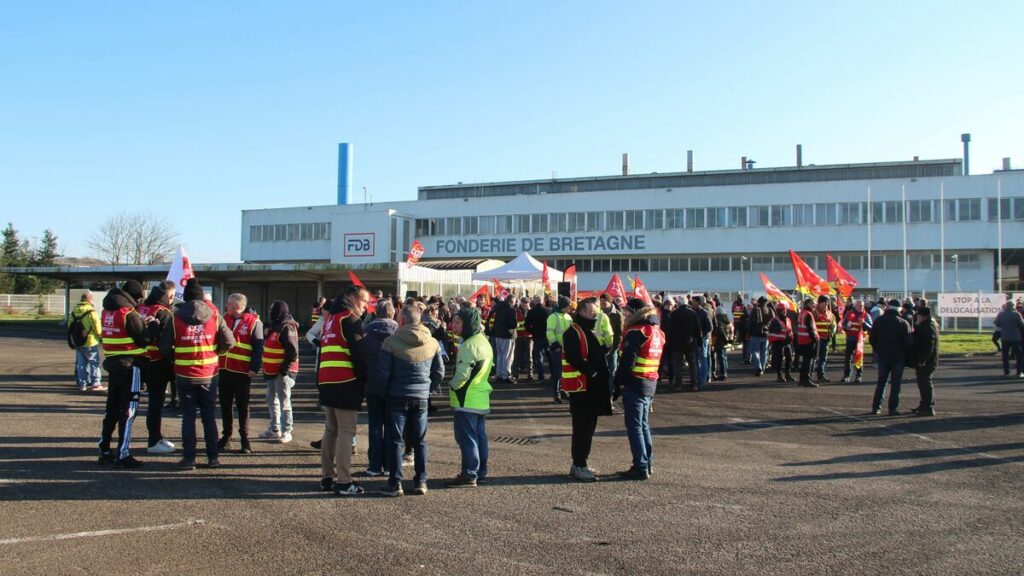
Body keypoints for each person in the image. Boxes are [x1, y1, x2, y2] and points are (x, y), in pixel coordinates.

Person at [159, 278, 234, 469]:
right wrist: (217, 352)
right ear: (202, 298)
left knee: (188, 418)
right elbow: (229, 341)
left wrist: (176, 359)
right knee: (209, 417)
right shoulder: (215, 314)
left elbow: (165, 347)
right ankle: (213, 457)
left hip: (184, 375)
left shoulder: (175, 316)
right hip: (209, 374)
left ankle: (189, 458)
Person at [375, 303, 444, 497]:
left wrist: (383, 393)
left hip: (397, 396)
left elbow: (382, 374)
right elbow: (439, 372)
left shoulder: (390, 342)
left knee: (396, 440)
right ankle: (421, 480)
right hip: (421, 397)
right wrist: (427, 389)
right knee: (420, 440)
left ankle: (395, 482)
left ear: (402, 320)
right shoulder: (432, 342)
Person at [316, 285, 371, 496]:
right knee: (347, 431)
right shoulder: (350, 319)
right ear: (351, 298)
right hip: (345, 380)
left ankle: (327, 477)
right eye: (363, 301)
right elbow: (359, 355)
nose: (366, 306)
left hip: (327, 380)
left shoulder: (330, 320)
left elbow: (322, 353)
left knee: (331, 430)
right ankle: (345, 481)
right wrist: (363, 382)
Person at [97, 280, 150, 468]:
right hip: (131, 365)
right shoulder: (128, 313)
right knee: (128, 411)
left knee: (111, 408)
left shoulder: (106, 311)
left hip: (113, 363)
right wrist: (151, 327)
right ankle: (123, 453)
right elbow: (143, 339)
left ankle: (104, 449)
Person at [561, 299, 612, 482]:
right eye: (592, 311)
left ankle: (581, 463)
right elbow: (575, 358)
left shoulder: (585, 331)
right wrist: (593, 372)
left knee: (588, 428)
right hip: (582, 388)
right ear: (582, 312)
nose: (595, 314)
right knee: (582, 428)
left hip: (591, 388)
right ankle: (579, 464)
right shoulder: (573, 332)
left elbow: (589, 353)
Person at [614, 298, 664, 480]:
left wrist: (618, 383)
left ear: (635, 313)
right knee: (643, 426)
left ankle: (640, 466)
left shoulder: (637, 331)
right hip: (650, 382)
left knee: (635, 427)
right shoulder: (656, 331)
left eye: (627, 311)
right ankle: (647, 462)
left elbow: (628, 361)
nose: (624, 314)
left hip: (635, 383)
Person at [446, 306, 494, 488]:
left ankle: (469, 474)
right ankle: (480, 472)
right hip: (480, 398)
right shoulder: (482, 341)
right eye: (453, 322)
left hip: (466, 399)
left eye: (458, 322)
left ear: (467, 324)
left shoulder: (468, 345)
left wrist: (451, 385)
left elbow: (462, 376)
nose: (453, 326)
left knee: (467, 439)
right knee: (479, 438)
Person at [217, 293, 263, 454]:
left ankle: (245, 438)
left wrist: (254, 367)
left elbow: (258, 347)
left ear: (237, 306)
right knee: (225, 404)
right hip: (224, 369)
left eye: (228, 304)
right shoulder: (224, 318)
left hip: (242, 371)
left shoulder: (254, 322)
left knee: (242, 406)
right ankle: (226, 436)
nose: (226, 306)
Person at [137, 281, 177, 455]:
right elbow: (165, 344)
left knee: (134, 403)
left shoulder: (141, 308)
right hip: (158, 363)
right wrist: (173, 362)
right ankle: (154, 440)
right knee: (155, 404)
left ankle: (151, 438)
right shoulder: (164, 313)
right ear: (169, 295)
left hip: (140, 360)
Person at [360, 300, 397, 477]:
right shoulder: (399, 333)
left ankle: (374, 465)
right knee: (391, 425)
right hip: (393, 384)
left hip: (372, 384)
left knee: (375, 424)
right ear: (393, 313)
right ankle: (390, 464)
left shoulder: (366, 332)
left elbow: (360, 358)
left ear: (376, 313)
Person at [260, 300, 300, 443]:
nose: (270, 312)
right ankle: (275, 429)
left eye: (272, 309)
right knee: (271, 399)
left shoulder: (286, 327)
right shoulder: (275, 325)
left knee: (284, 402)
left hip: (281, 372)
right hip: (271, 371)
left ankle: (287, 430)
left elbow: (292, 352)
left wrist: (284, 369)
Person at [868, 299, 913, 416]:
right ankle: (893, 408)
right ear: (899, 309)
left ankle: (876, 407)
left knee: (881, 383)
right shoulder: (903, 323)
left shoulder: (879, 321)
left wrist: (878, 350)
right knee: (896, 384)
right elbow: (908, 343)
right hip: (898, 357)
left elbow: (872, 338)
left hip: (883, 355)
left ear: (888, 307)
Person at [70, 291, 103, 392]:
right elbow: (97, 326)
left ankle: (82, 384)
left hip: (78, 341)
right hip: (90, 341)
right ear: (89, 299)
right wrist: (100, 337)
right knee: (94, 362)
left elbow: (70, 325)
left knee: (81, 364)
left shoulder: (74, 310)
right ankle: (96, 383)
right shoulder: (91, 311)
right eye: (92, 298)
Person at [910, 306, 939, 417]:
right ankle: (924, 405)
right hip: (928, 360)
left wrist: (922, 360)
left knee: (925, 383)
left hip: (927, 361)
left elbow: (928, 346)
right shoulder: (930, 325)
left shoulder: (927, 327)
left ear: (922, 316)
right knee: (924, 383)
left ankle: (928, 407)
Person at [546, 296, 573, 403]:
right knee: (557, 372)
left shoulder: (568, 317)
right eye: (568, 306)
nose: (569, 308)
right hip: (557, 349)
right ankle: (556, 393)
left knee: (565, 372)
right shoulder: (553, 317)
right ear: (563, 306)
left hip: (567, 349)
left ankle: (563, 391)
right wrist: (555, 345)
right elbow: (549, 332)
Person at [840, 299, 871, 383]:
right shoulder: (849, 314)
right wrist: (847, 326)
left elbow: (871, 328)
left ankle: (858, 376)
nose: (861, 307)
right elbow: (843, 325)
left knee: (859, 357)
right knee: (848, 359)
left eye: (862, 306)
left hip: (860, 341)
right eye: (859, 305)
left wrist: (864, 323)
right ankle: (846, 376)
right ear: (855, 306)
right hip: (850, 339)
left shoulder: (866, 315)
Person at [491, 295, 517, 384]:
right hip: (508, 335)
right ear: (512, 301)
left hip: (498, 334)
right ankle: (506, 375)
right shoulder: (511, 310)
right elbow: (513, 324)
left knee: (500, 355)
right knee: (508, 356)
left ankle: (499, 374)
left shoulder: (498, 308)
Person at [524, 296, 551, 384]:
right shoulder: (548, 310)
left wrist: (533, 331)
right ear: (542, 301)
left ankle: (541, 376)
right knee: (550, 357)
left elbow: (527, 325)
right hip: (548, 337)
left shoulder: (531, 312)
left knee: (539, 358)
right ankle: (553, 375)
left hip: (537, 337)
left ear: (534, 302)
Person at [994, 302, 1024, 377]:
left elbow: (997, 323)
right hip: (1015, 337)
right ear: (1013, 306)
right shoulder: (1016, 314)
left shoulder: (1001, 314)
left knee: (1005, 355)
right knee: (1019, 355)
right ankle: (1019, 372)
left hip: (1005, 337)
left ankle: (1006, 372)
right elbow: (1022, 325)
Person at [794, 298, 820, 388]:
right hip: (808, 340)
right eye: (813, 303)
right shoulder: (808, 314)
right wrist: (815, 340)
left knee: (805, 361)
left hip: (802, 340)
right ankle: (806, 380)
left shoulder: (802, 313)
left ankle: (802, 379)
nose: (814, 305)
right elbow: (810, 329)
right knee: (808, 362)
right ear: (808, 304)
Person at [767, 303, 795, 382]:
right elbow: (771, 333)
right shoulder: (775, 321)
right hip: (778, 343)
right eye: (783, 310)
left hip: (787, 343)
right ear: (779, 311)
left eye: (785, 310)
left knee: (789, 359)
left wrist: (790, 337)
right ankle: (779, 376)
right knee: (779, 360)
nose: (785, 311)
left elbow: (790, 330)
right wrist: (780, 335)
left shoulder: (788, 319)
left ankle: (788, 375)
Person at [812, 295, 837, 382]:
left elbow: (834, 324)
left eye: (827, 302)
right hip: (817, 339)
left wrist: (832, 331)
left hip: (826, 339)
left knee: (823, 358)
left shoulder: (829, 313)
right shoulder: (815, 312)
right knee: (814, 357)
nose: (827, 303)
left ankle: (821, 375)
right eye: (825, 302)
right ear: (820, 303)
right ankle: (810, 375)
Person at [692, 295, 713, 390]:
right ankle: (698, 379)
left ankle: (702, 380)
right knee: (696, 360)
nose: (692, 303)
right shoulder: (693, 313)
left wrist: (702, 336)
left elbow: (710, 327)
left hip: (703, 340)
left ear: (698, 302)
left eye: (693, 301)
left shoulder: (704, 313)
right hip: (695, 339)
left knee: (703, 359)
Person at [746, 297, 772, 376]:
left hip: (755, 334)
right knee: (764, 352)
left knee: (754, 351)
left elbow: (750, 322)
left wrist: (748, 332)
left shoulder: (755, 310)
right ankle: (763, 368)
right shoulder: (769, 310)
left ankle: (758, 366)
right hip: (765, 334)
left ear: (759, 302)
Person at [512, 298, 533, 382]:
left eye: (526, 304)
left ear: (529, 304)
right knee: (517, 356)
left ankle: (530, 374)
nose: (525, 305)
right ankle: (515, 373)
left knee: (529, 356)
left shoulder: (531, 312)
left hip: (529, 337)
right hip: (519, 337)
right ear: (521, 304)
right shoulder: (516, 312)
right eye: (523, 303)